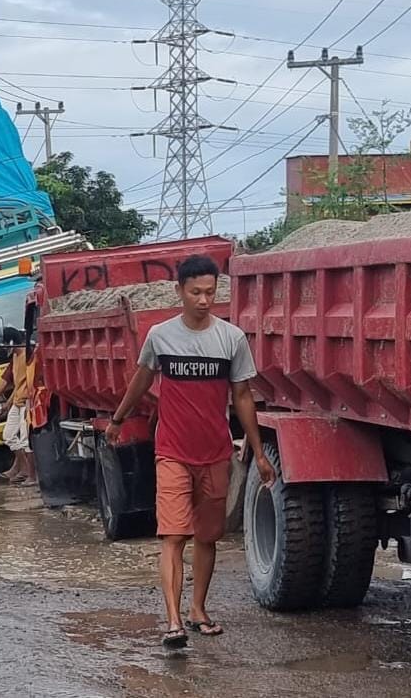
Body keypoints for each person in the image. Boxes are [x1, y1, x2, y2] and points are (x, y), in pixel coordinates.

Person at [105, 255, 275, 649]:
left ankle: (198, 610)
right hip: (172, 453)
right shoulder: (160, 336)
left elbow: (243, 397)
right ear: (179, 291)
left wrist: (259, 453)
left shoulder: (231, 339)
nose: (203, 300)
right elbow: (141, 380)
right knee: (173, 536)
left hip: (215, 453)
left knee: (207, 536)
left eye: (210, 292)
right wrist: (117, 419)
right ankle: (173, 621)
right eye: (195, 292)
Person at [0, 327, 37, 486]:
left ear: (11, 343)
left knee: (25, 440)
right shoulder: (16, 357)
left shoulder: (29, 357)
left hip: (27, 401)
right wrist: (4, 402)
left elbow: (26, 383)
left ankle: (31, 476)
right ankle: (23, 469)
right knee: (9, 435)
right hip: (17, 401)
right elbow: (14, 383)